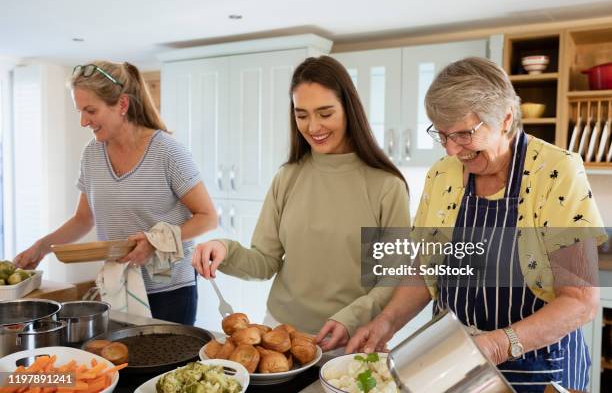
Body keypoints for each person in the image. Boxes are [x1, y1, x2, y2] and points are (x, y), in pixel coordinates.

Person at [345, 57, 606, 392]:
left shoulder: (557, 172)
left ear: (507, 119)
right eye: (442, 134)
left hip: (541, 371)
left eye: (464, 134)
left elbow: (581, 301)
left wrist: (495, 346)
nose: (452, 149)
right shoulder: (442, 175)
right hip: (457, 363)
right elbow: (425, 269)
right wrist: (386, 322)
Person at [191, 55, 410, 350]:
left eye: (325, 113)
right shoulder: (288, 177)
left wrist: (351, 318)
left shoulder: (386, 186)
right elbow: (264, 262)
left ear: (349, 109)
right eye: (302, 114)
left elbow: (393, 278)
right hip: (280, 335)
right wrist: (224, 249)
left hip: (350, 340)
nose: (313, 126)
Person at [14, 61, 217, 325]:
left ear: (122, 105)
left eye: (90, 110)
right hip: (116, 286)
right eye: (80, 111)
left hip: (169, 291)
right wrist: (42, 248)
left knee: (164, 366)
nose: (83, 121)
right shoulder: (91, 155)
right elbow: (83, 219)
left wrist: (156, 241)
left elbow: (208, 217)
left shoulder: (167, 152)